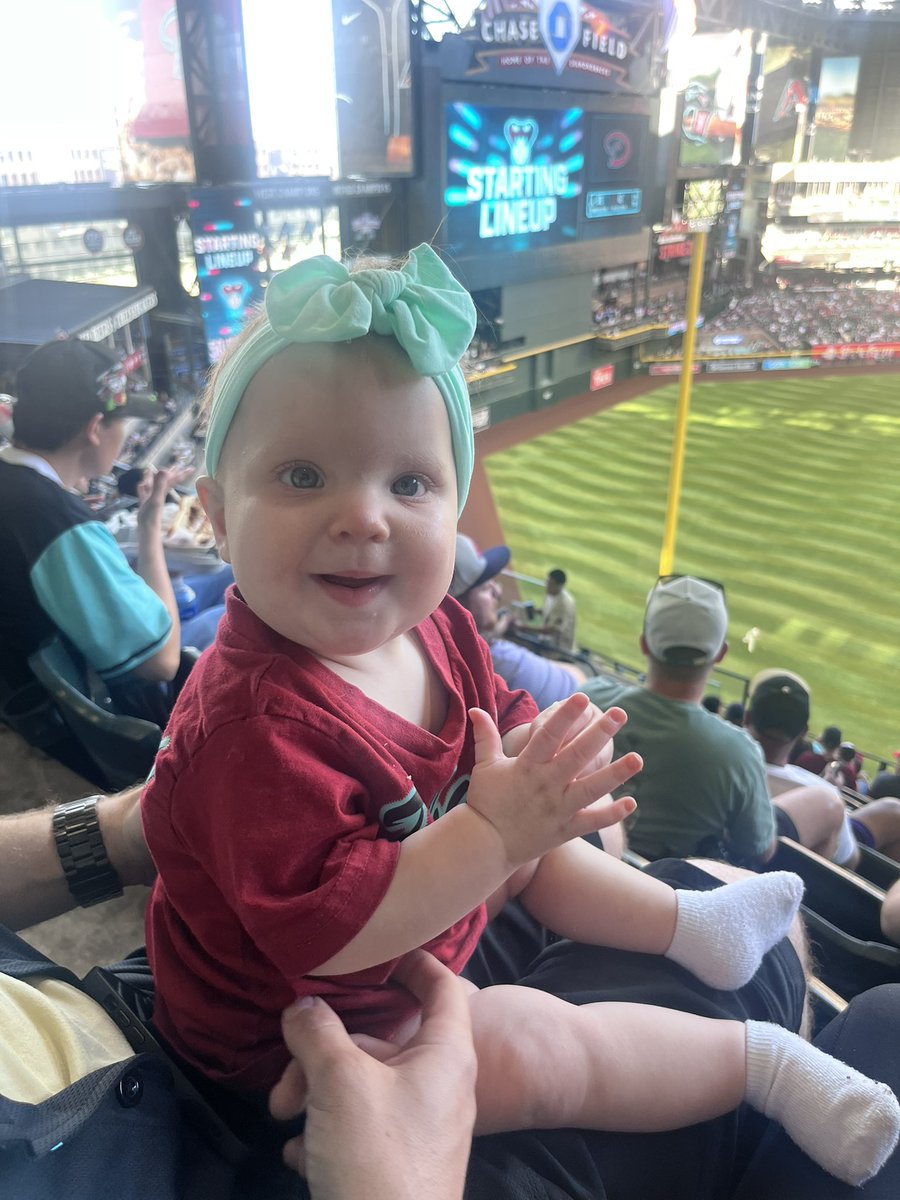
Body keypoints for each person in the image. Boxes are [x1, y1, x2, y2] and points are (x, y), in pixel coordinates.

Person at [138, 246, 898, 1186]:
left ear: (455, 503)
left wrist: (537, 798)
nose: (364, 516)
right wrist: (496, 830)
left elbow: (500, 750)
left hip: (423, 929)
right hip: (311, 1041)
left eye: (409, 484)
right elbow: (330, 932)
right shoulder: (246, 728)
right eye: (301, 476)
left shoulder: (437, 625)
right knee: (546, 1049)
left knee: (529, 838)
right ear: (213, 511)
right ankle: (765, 1068)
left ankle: (683, 924)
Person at [0, 338, 229, 721]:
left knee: (228, 579)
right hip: (106, 708)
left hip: (35, 684)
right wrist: (150, 523)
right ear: (94, 428)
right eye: (125, 421)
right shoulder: (57, 521)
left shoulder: (18, 485)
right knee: (230, 608)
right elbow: (162, 661)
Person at [579, 576, 779, 867]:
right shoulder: (739, 754)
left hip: (579, 871)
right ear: (721, 653)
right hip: (665, 896)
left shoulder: (587, 703)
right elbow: (760, 849)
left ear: (645, 644)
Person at [745, 670, 900, 866]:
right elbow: (847, 861)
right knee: (893, 810)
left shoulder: (712, 762)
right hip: (795, 865)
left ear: (747, 718)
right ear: (803, 733)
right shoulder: (822, 794)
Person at [450, 534, 590, 709]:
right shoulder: (476, 666)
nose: (498, 592)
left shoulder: (479, 644)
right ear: (454, 605)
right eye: (486, 587)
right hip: (587, 709)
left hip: (584, 689)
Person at [537, 567, 577, 654]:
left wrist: (525, 628)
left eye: (551, 584)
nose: (547, 586)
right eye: (547, 582)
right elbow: (548, 612)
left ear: (560, 586)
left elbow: (554, 629)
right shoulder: (550, 594)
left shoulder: (565, 603)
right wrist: (536, 611)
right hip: (547, 642)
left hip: (560, 650)